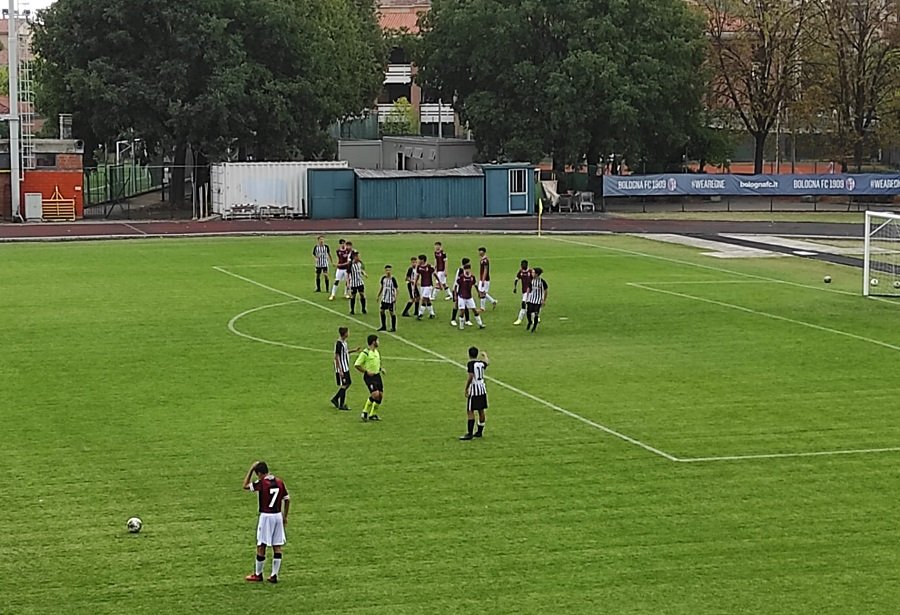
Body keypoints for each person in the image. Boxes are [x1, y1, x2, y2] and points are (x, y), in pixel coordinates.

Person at [242, 461, 290, 584]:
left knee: (261, 544)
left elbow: (245, 485)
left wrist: (251, 469)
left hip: (266, 516)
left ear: (259, 473)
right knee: (277, 545)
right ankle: (274, 575)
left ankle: (258, 574)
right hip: (278, 516)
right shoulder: (279, 482)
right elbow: (287, 499)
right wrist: (285, 516)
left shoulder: (262, 483)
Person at [459, 347, 489, 440]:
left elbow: (471, 376)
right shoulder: (480, 363)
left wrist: (466, 388)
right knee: (481, 410)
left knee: (470, 410)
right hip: (482, 389)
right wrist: (485, 355)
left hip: (475, 390)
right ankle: (479, 432)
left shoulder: (471, 363)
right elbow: (487, 363)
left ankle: (470, 433)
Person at [354, 334, 385, 421]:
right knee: (375, 395)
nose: (379, 342)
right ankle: (365, 412)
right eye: (377, 341)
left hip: (377, 376)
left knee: (380, 396)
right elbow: (357, 365)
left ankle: (373, 414)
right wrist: (366, 372)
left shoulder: (376, 352)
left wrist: (380, 369)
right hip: (369, 377)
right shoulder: (365, 353)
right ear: (373, 342)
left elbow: (375, 363)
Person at [331, 326, 360, 410]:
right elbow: (336, 356)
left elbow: (345, 352)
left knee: (348, 383)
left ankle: (335, 399)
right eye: (347, 332)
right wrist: (339, 370)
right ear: (345, 334)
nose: (349, 333)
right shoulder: (339, 343)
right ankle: (341, 404)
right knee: (344, 385)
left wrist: (354, 350)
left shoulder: (344, 342)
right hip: (342, 367)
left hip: (345, 367)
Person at [454, 262, 485, 330]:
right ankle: (461, 326)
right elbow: (456, 286)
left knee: (474, 310)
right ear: (464, 270)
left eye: (468, 269)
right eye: (466, 269)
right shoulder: (461, 277)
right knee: (462, 311)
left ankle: (480, 324)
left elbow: (475, 285)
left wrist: (479, 293)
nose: (467, 270)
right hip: (461, 296)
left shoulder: (472, 277)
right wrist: (455, 295)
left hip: (469, 297)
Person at [415, 254, 438, 320]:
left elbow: (435, 274)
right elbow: (417, 276)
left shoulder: (429, 267)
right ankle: (432, 313)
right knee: (427, 300)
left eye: (419, 259)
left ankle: (420, 314)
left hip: (429, 285)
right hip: (422, 286)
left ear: (423, 260)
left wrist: (439, 282)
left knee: (424, 299)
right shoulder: (419, 267)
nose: (418, 261)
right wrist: (415, 284)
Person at [525, 267, 548, 332]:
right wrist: (527, 297)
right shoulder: (532, 281)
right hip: (531, 299)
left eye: (533, 272)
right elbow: (529, 288)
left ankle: (534, 327)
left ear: (537, 274)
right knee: (528, 312)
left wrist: (544, 300)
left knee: (536, 314)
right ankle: (529, 322)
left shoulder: (542, 282)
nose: (532, 273)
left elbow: (545, 290)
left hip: (538, 300)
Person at [449, 257, 471, 326]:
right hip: (458, 289)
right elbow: (457, 281)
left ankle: (467, 320)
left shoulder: (466, 270)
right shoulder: (461, 270)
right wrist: (455, 292)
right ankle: (453, 319)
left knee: (466, 304)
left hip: (464, 290)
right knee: (456, 304)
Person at [377, 265, 399, 332]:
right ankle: (383, 326)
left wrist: (395, 297)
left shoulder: (393, 279)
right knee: (382, 311)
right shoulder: (383, 278)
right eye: (387, 270)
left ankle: (393, 327)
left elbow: (397, 289)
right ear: (385, 271)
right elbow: (382, 287)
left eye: (389, 270)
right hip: (384, 298)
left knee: (391, 312)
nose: (388, 271)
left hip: (390, 299)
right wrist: (378, 295)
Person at [513, 260, 534, 326]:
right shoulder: (520, 272)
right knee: (529, 305)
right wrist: (515, 287)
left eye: (524, 265)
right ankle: (535, 318)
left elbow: (535, 279)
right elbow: (516, 279)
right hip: (524, 291)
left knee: (524, 304)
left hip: (531, 291)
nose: (522, 266)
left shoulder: (530, 272)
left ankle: (520, 319)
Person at [477, 247, 498, 311]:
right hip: (482, 278)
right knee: (482, 292)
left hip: (485, 279)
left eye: (480, 251)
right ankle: (493, 301)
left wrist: (483, 279)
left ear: (483, 252)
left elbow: (485, 270)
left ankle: (482, 308)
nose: (479, 252)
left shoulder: (485, 260)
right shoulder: (482, 260)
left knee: (482, 292)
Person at [348, 250, 368, 315]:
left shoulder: (360, 263)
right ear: (354, 257)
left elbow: (361, 270)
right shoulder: (350, 264)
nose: (359, 257)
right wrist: (348, 283)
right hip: (353, 283)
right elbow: (347, 274)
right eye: (357, 256)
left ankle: (363, 309)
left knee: (362, 294)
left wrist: (364, 273)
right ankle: (352, 310)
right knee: (353, 296)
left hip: (360, 282)